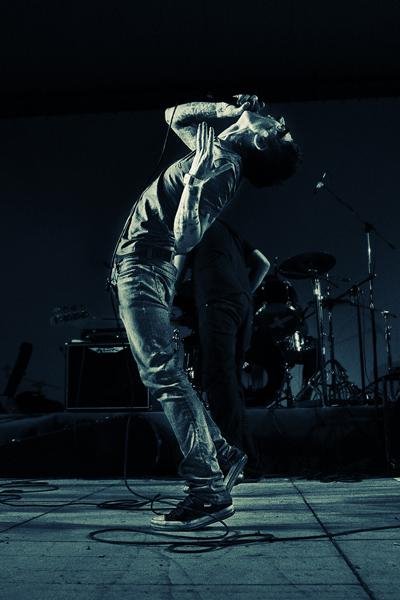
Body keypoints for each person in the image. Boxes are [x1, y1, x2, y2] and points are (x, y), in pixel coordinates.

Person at [111, 95, 300, 531]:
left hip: (145, 266)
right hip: (141, 266)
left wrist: (195, 184)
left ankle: (207, 490)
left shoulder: (222, 167)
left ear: (261, 141)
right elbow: (172, 115)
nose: (279, 117)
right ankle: (224, 454)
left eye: (280, 128)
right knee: (164, 372)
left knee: (163, 375)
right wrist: (227, 110)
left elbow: (185, 239)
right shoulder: (216, 150)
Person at [190, 218, 270, 466]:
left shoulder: (191, 226)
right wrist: (244, 293)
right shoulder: (228, 229)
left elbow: (177, 267)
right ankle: (248, 459)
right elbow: (263, 264)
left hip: (217, 303)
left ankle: (232, 460)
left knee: (218, 381)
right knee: (231, 382)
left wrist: (165, 298)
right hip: (242, 305)